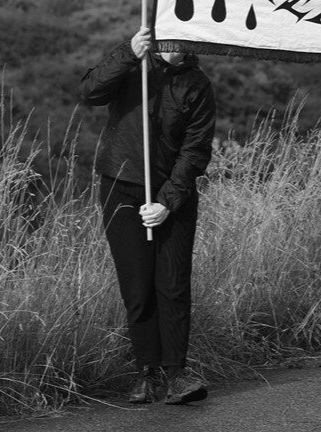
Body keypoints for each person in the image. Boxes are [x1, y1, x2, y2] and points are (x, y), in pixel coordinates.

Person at [81, 26, 216, 404]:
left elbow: (195, 151)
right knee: (137, 285)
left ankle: (176, 376)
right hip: (120, 184)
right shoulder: (132, 64)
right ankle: (146, 373)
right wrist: (128, 52)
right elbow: (90, 92)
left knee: (172, 284)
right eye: (168, 36)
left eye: (184, 38)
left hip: (171, 194)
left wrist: (167, 202)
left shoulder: (197, 84)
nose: (176, 44)